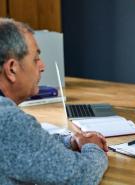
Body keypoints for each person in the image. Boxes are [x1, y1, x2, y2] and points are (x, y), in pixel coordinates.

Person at [0, 18, 108, 184]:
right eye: (35, 59)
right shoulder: (8, 121)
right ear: (11, 69)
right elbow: (80, 177)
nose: (42, 66)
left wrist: (70, 141)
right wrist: (92, 146)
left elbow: (28, 143)